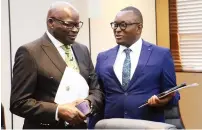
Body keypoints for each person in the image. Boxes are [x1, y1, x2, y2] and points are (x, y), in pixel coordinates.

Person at [10, 1, 104, 129]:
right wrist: (58, 110)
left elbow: (96, 91)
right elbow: (18, 103)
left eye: (78, 25)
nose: (75, 30)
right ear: (51, 22)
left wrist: (87, 103)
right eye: (69, 24)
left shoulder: (82, 50)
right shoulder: (30, 52)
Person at [88, 6, 180, 128]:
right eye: (115, 25)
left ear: (139, 28)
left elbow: (173, 94)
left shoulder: (161, 55)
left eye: (123, 25)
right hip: (111, 125)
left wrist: (163, 100)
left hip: (147, 125)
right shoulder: (103, 57)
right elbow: (98, 95)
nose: (117, 30)